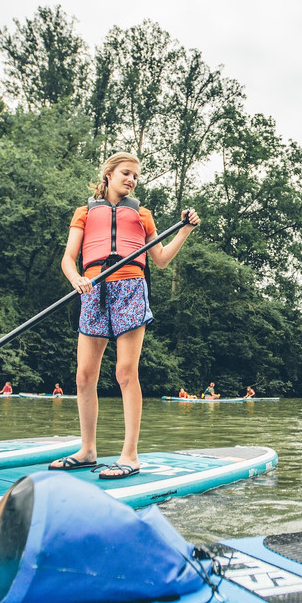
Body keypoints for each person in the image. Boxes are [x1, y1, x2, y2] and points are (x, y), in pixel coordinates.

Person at [49, 152, 199, 478]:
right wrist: (75, 279)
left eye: (135, 176)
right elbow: (68, 258)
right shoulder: (84, 212)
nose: (131, 180)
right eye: (126, 173)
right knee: (84, 375)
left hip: (130, 288)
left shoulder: (142, 214)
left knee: (125, 372)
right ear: (109, 174)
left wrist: (184, 231)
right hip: (92, 289)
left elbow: (161, 259)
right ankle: (87, 450)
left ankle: (130, 455)